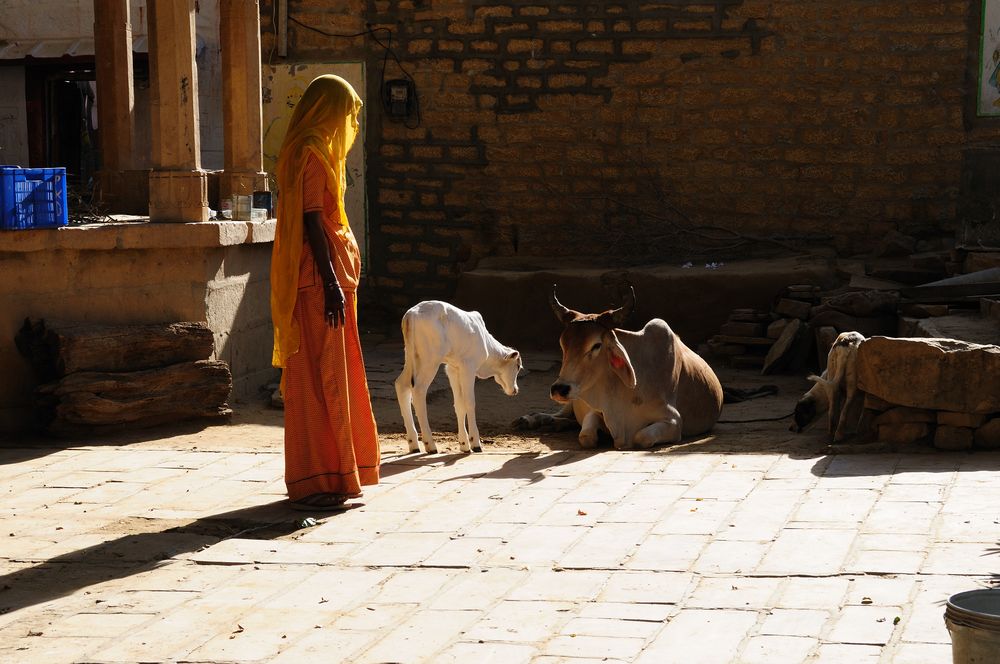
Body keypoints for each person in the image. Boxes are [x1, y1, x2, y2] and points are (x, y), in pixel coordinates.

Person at [270, 75, 379, 510]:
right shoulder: (312, 152)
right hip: (320, 282)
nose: (347, 124)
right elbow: (313, 220)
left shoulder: (308, 148)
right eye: (345, 113)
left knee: (334, 372)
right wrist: (332, 282)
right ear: (327, 110)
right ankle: (323, 477)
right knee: (325, 376)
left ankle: (333, 472)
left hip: (327, 279)